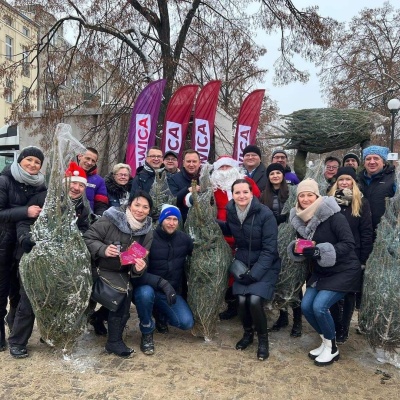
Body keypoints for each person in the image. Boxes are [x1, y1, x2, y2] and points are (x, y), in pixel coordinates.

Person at [8, 162, 92, 358]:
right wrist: (24, 238)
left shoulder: (82, 206)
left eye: (80, 185)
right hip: (37, 261)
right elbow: (24, 221)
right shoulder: (44, 198)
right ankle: (18, 341)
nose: (76, 187)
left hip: (61, 264)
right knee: (29, 300)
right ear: (64, 183)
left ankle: (49, 334)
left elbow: (84, 228)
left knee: (56, 300)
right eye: (72, 183)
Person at [288, 178, 362, 366]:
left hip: (344, 269)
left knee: (320, 307)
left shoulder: (334, 216)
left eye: (309, 195)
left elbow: (348, 244)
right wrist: (299, 249)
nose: (305, 199)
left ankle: (332, 349)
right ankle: (327, 341)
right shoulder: (301, 219)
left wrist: (320, 251)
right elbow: (308, 247)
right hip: (322, 271)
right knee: (306, 306)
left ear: (317, 196)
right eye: (302, 195)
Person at [84, 190, 153, 357]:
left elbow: (142, 258)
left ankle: (109, 335)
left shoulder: (147, 231)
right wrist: (103, 249)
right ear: (129, 205)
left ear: (149, 211)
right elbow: (87, 238)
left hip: (121, 272)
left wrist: (139, 267)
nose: (140, 210)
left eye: (145, 207)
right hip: (98, 267)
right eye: (137, 205)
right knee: (121, 296)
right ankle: (113, 341)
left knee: (124, 296)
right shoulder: (111, 219)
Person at [218, 179, 281, 361]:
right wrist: (214, 223)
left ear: (251, 193)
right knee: (241, 300)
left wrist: (254, 274)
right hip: (243, 261)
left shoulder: (265, 214)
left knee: (253, 300)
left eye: (245, 192)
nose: (241, 196)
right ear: (232, 195)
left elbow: (270, 250)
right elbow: (232, 230)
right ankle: (247, 334)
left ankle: (263, 340)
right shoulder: (231, 211)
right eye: (237, 193)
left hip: (265, 263)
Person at [0, 146, 46, 352]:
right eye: (29, 160)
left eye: (37, 162)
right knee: (2, 289)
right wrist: (25, 211)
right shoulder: (4, 181)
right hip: (3, 242)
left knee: (19, 290)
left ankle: (14, 323)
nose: (33, 165)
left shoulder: (40, 186)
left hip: (23, 245)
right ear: (19, 161)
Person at [132, 205, 194, 355]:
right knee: (145, 294)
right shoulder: (147, 238)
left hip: (171, 292)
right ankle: (147, 332)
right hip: (148, 288)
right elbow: (135, 273)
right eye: (168, 219)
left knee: (186, 323)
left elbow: (195, 257)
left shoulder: (184, 239)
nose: (172, 223)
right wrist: (162, 283)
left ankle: (160, 315)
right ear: (161, 220)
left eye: (175, 219)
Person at [210, 155, 260, 321]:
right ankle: (231, 304)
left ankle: (245, 305)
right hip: (222, 234)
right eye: (221, 168)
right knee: (226, 270)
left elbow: (257, 200)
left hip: (245, 234)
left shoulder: (245, 182)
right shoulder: (213, 185)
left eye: (227, 167)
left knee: (242, 269)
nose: (224, 171)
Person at [328, 167, 373, 344]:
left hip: (353, 255)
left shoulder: (361, 202)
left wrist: (363, 258)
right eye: (341, 180)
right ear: (336, 182)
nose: (344, 183)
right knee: (330, 291)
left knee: (348, 294)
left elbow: (366, 232)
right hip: (333, 253)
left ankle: (343, 328)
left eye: (348, 180)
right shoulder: (330, 201)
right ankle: (334, 323)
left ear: (353, 182)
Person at [262, 163, 303, 337]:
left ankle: (298, 321)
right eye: (272, 173)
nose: (275, 176)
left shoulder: (291, 192)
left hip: (290, 239)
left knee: (293, 281)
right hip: (273, 239)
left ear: (283, 175)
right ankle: (283, 316)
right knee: (279, 279)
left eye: (278, 172)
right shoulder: (264, 195)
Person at [357, 145, 395, 239]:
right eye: (368, 159)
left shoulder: (394, 179)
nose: (372, 162)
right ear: (364, 163)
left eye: (376, 158)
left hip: (385, 235)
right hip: (360, 233)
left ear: (383, 162)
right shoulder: (357, 179)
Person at [168, 149, 202, 222]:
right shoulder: (174, 179)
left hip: (203, 222)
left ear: (199, 163)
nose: (191, 164)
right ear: (183, 163)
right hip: (182, 223)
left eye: (194, 161)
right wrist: (187, 190)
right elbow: (172, 201)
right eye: (188, 161)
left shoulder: (205, 178)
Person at [77, 147, 108, 215]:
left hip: (87, 221)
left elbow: (101, 205)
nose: (89, 162)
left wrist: (97, 219)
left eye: (93, 161)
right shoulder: (67, 173)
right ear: (80, 156)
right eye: (87, 158)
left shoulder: (99, 181)